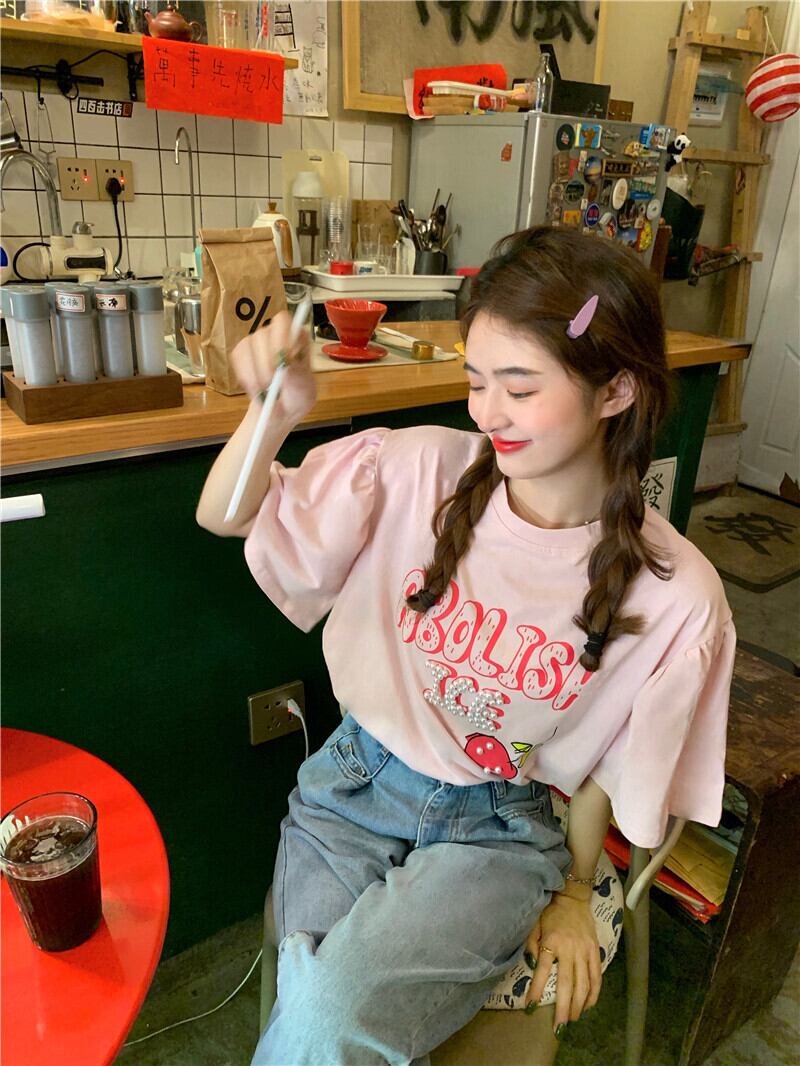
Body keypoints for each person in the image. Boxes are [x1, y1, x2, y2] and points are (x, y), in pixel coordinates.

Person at [196, 226, 736, 1066]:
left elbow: (613, 765)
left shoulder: (677, 595)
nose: (487, 412)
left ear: (616, 390)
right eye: (477, 381)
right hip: (353, 787)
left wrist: (575, 891)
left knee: (326, 1013)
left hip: (498, 830)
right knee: (327, 1019)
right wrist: (276, 413)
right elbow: (224, 515)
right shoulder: (418, 471)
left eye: (519, 386)